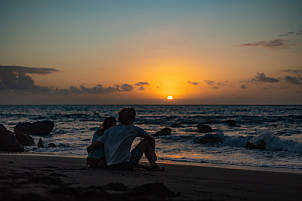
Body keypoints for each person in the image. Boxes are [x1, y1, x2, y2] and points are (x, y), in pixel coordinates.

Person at [87, 107, 160, 170]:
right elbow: (151, 140)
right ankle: (153, 165)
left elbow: (95, 145)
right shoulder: (134, 129)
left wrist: (90, 155)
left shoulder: (110, 130)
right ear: (133, 118)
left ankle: (147, 166)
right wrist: (153, 154)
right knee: (146, 142)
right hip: (125, 165)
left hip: (110, 165)